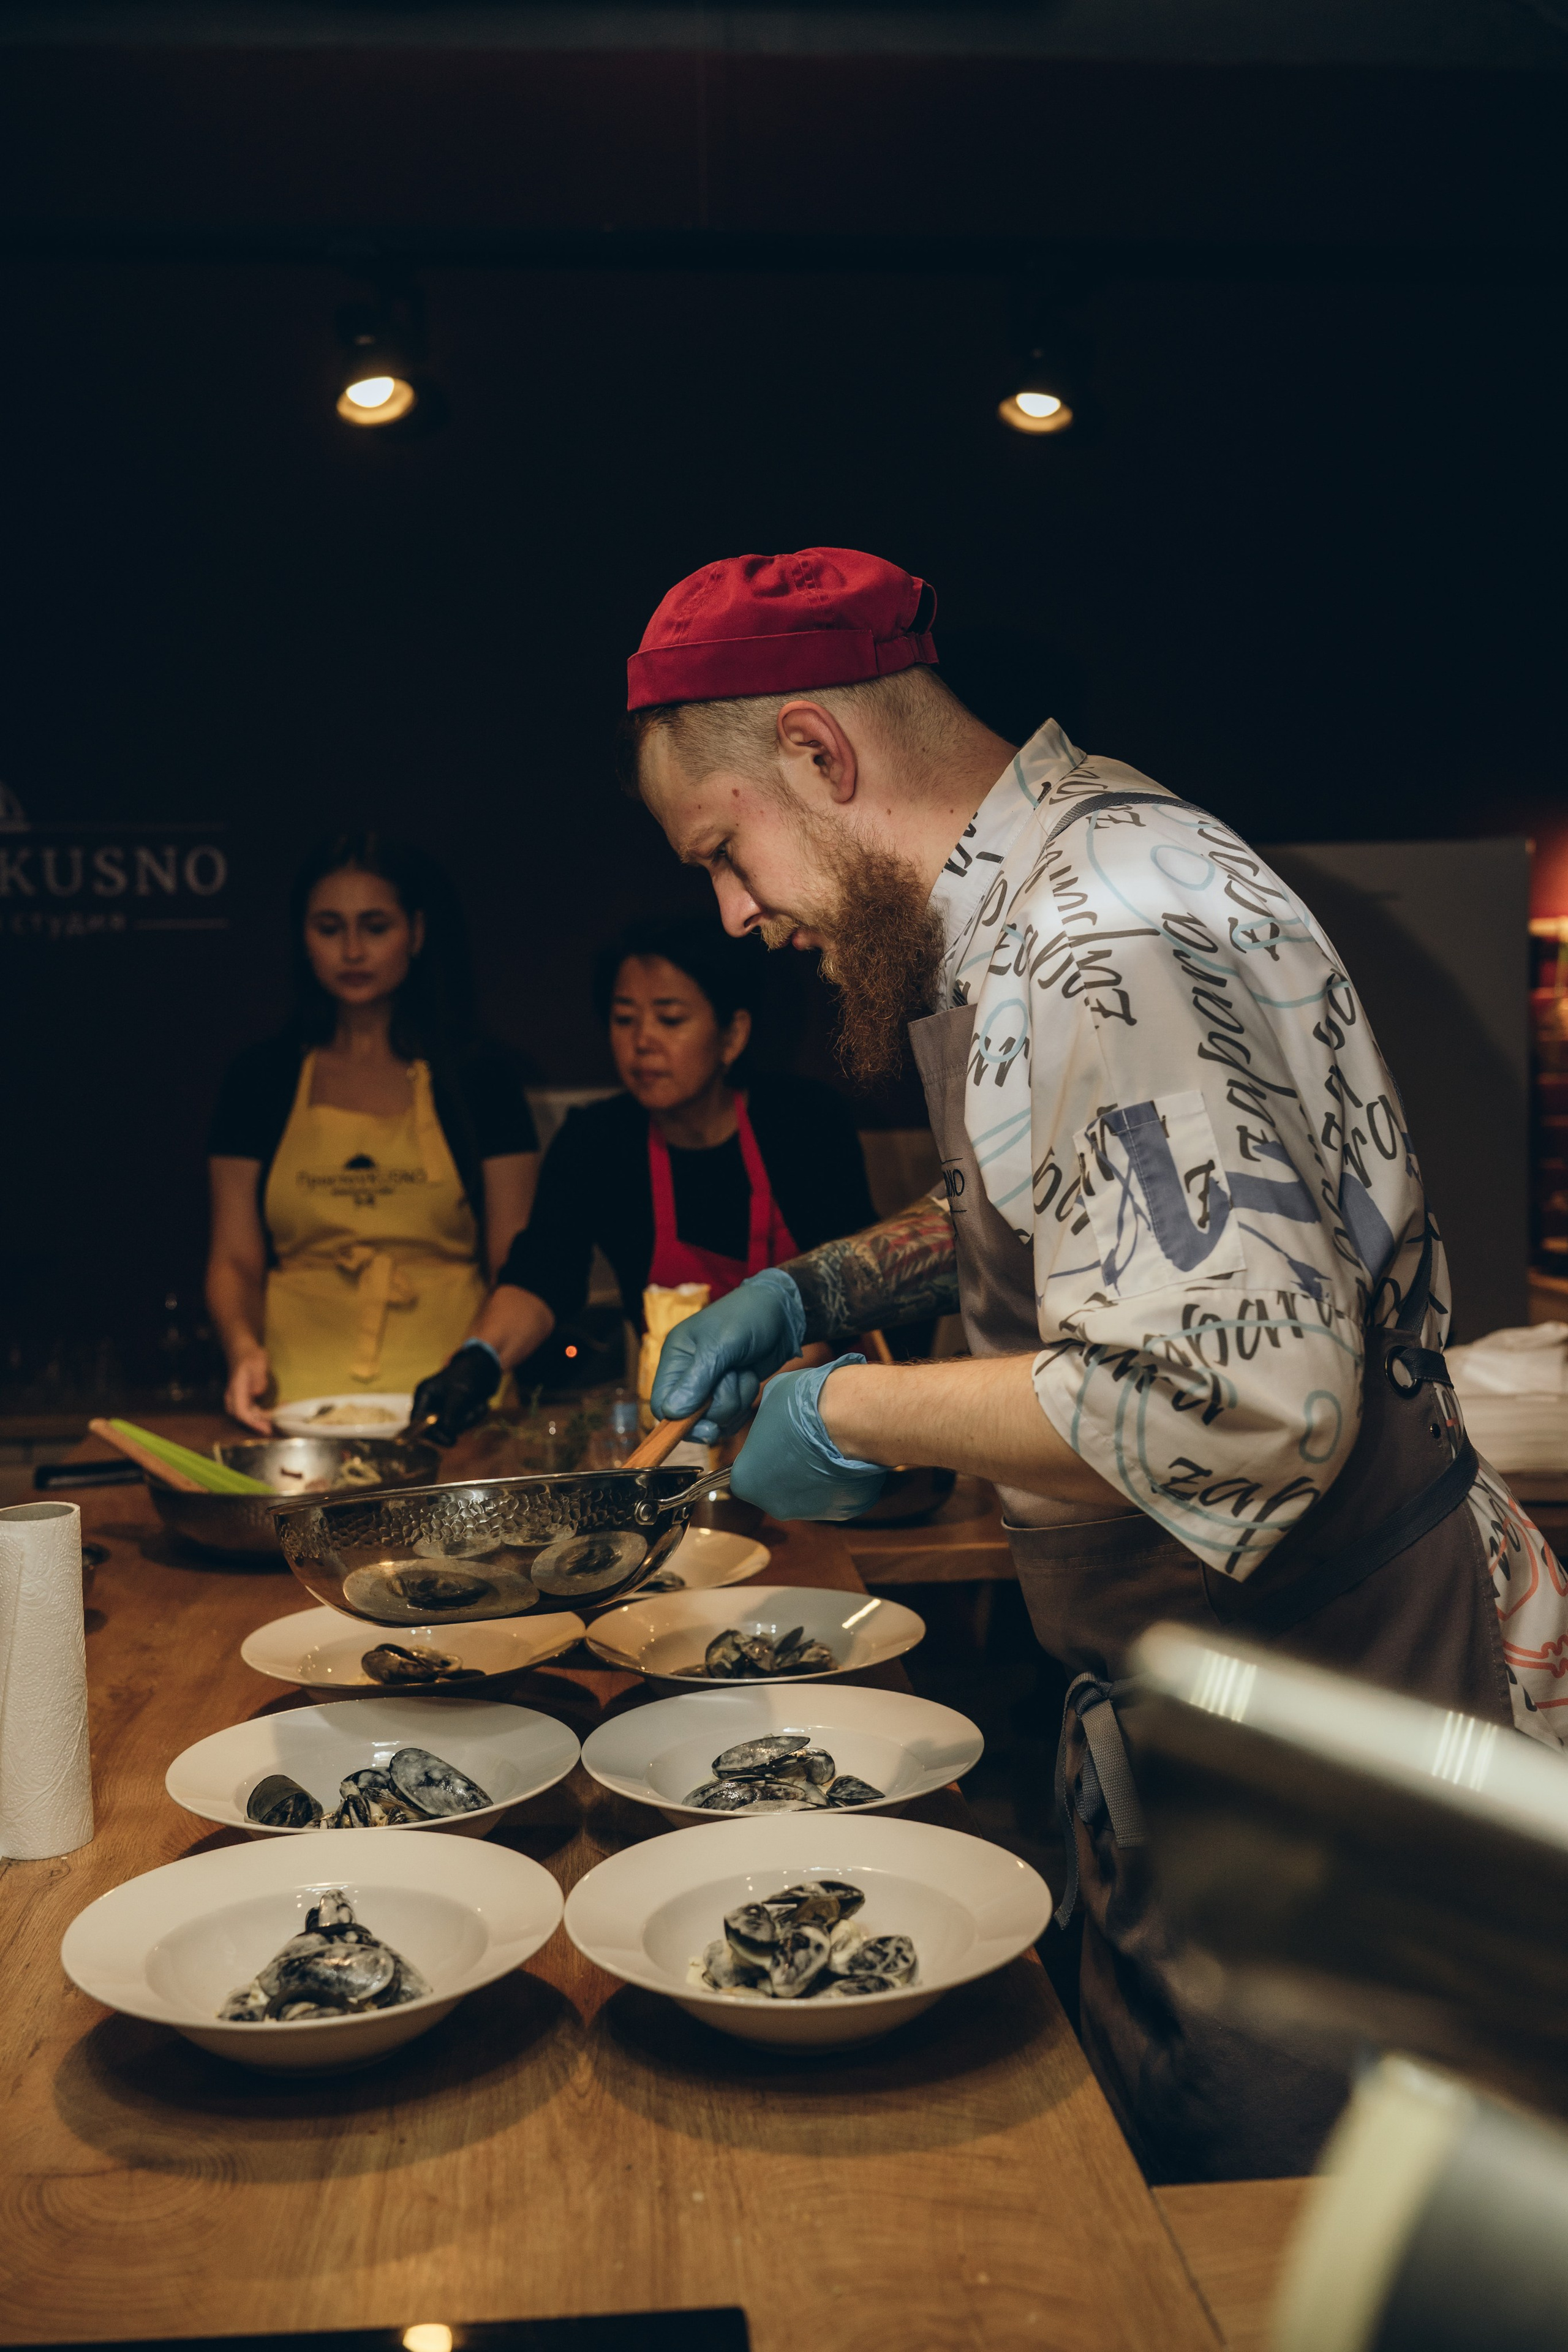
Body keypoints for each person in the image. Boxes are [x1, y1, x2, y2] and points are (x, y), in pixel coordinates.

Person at [623, 545, 1568, 2182]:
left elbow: (1231, 1395)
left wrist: (850, 1406)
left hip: (1330, 1725)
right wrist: (823, 1282)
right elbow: (1065, 1202)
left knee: (1280, 2236)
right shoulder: (1043, 885)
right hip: (1220, 1701)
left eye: (727, 853)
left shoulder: (1099, 933)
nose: (735, 913)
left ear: (818, 757)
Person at [408, 913, 875, 1440]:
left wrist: (762, 1391)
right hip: (679, 1431)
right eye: (624, 1018)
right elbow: (543, 1275)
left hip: (822, 1422)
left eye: (670, 1019)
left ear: (732, 1034)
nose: (642, 1042)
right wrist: (479, 1360)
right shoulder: (598, 1140)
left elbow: (853, 1295)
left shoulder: (804, 1124)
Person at [206, 831, 539, 1430]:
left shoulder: (480, 1078)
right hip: (296, 1405)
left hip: (458, 1400)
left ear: (415, 932)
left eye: (375, 926)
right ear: (303, 938)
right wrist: (241, 1348)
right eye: (329, 928)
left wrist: (478, 1360)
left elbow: (517, 1258)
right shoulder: (259, 1079)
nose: (352, 949)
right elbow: (233, 1257)